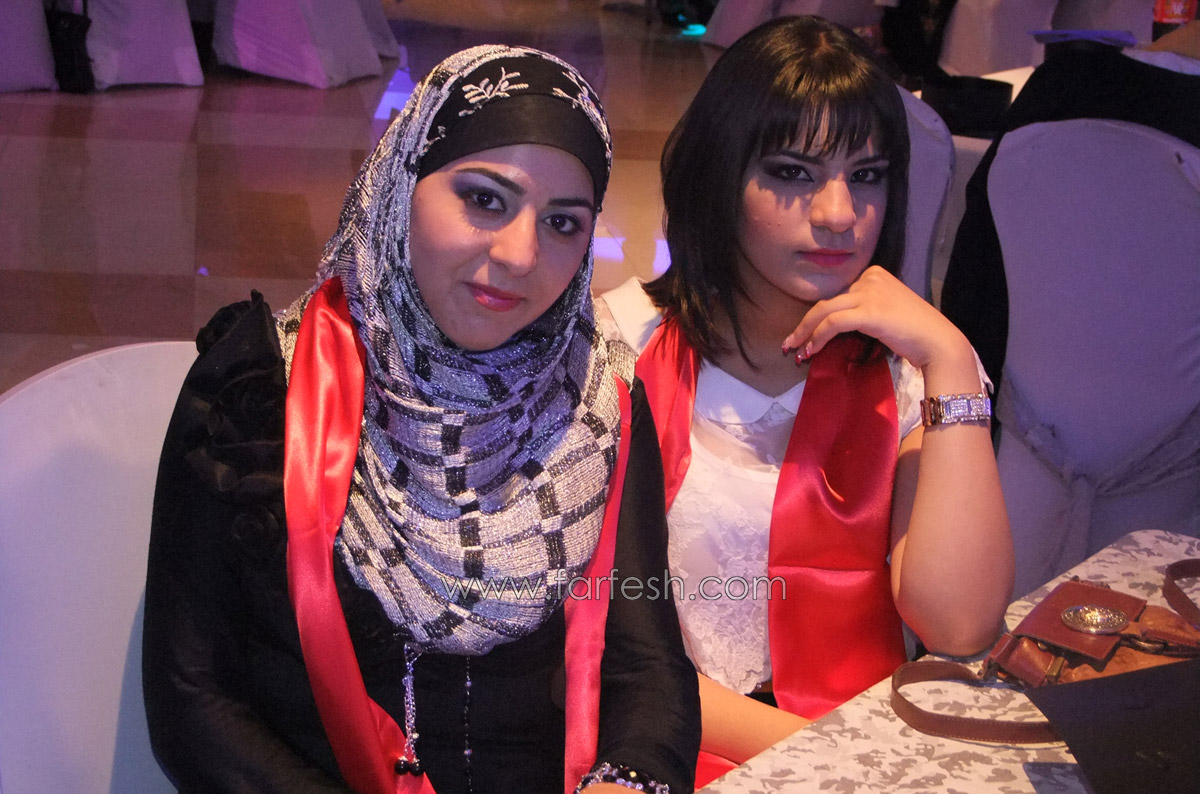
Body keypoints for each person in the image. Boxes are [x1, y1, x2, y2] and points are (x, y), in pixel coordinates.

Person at [142, 45, 699, 794]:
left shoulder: (599, 399)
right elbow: (194, 699)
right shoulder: (259, 393)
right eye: (485, 199)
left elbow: (647, 660)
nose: (520, 254)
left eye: (564, 222)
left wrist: (627, 782)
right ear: (402, 185)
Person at [597, 15, 1013, 775]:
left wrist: (951, 357)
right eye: (792, 173)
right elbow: (593, 642)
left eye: (868, 175)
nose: (839, 215)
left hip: (859, 750)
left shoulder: (907, 373)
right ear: (720, 176)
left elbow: (959, 626)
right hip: (667, 749)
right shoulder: (621, 349)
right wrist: (834, 761)